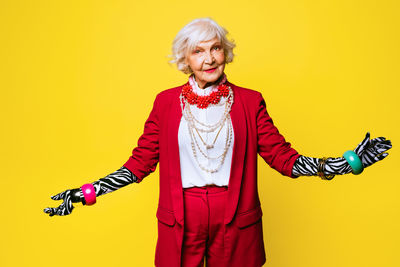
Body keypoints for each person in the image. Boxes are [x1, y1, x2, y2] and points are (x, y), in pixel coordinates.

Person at [44, 18, 392, 267]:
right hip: (181, 216)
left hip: (236, 215)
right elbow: (140, 164)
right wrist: (87, 192)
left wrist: (344, 164)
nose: (208, 59)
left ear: (225, 53)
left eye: (215, 49)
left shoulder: (250, 101)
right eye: (198, 52)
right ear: (185, 60)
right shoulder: (165, 103)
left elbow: (283, 158)